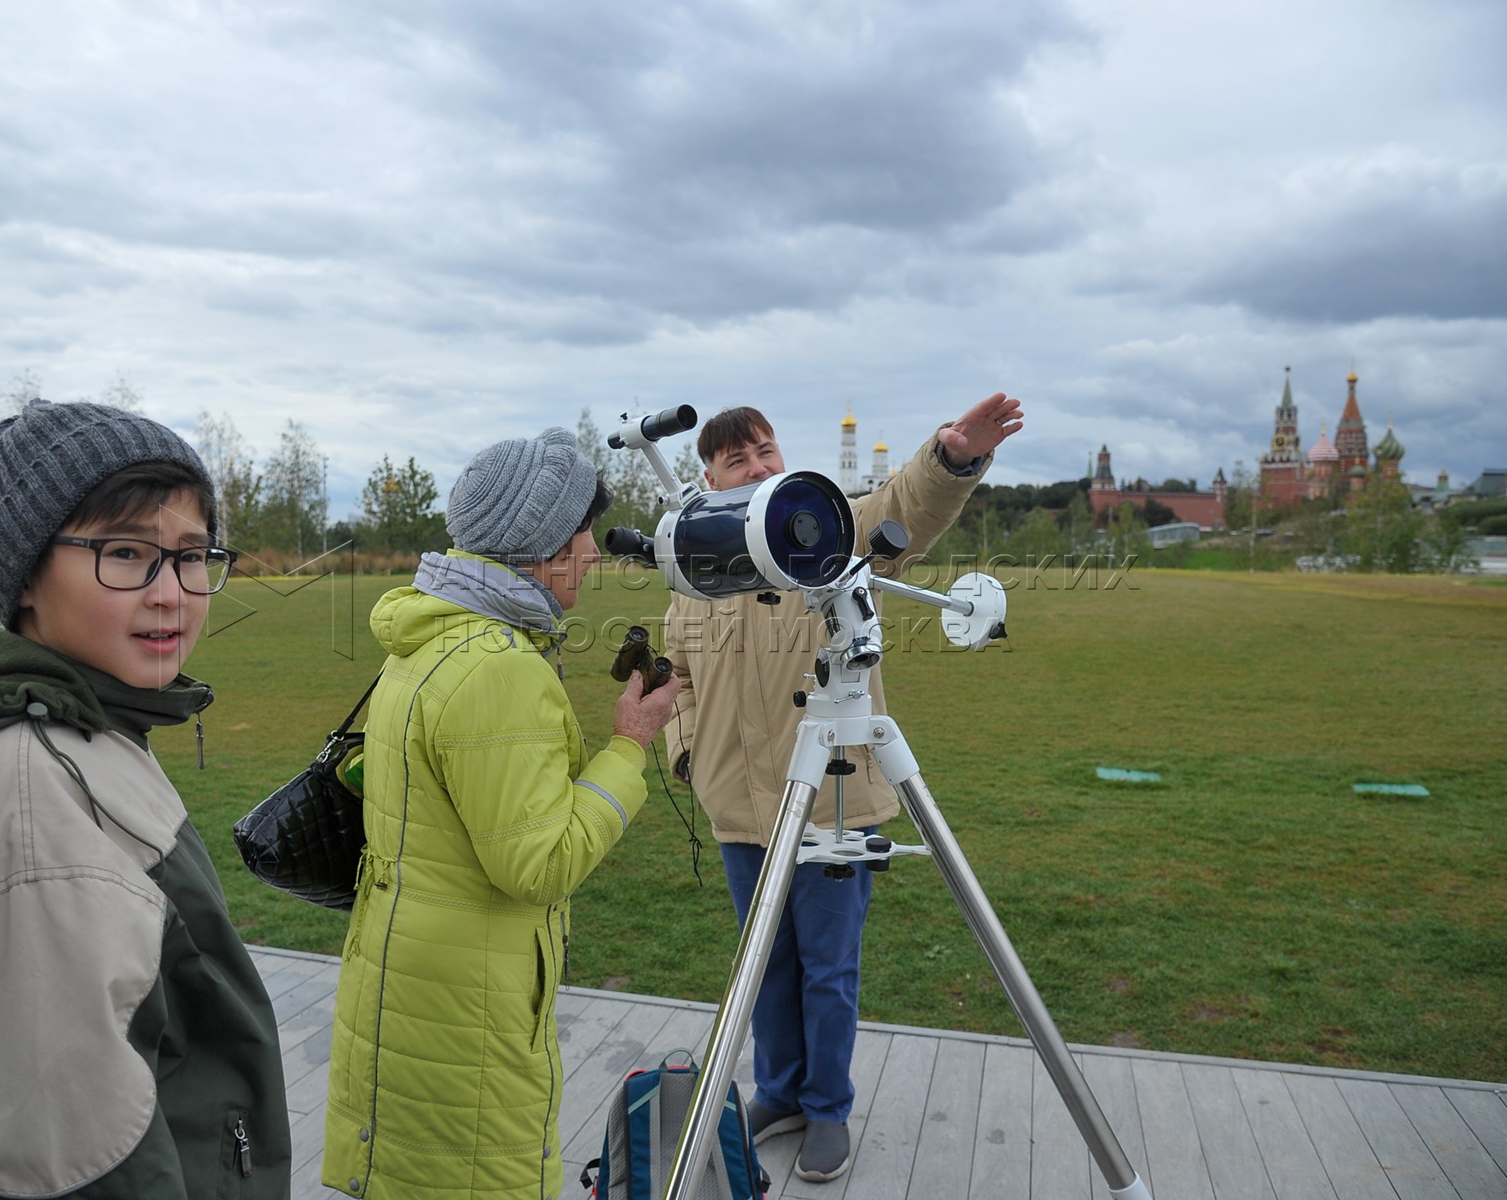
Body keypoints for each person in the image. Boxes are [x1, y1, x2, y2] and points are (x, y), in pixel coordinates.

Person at [0, 399, 292, 1199]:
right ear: (28, 574)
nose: (172, 593)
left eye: (191, 556)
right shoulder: (24, 806)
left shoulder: (86, 727)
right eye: (126, 553)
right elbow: (65, 1164)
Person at [661, 394, 1023, 1182]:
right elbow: (675, 679)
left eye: (765, 450)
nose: (756, 467)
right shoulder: (693, 575)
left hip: (832, 797)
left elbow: (902, 509)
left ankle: (826, 1108)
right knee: (765, 966)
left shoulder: (824, 529)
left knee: (827, 967)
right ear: (708, 479)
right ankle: (779, 1092)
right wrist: (687, 754)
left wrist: (951, 459)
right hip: (737, 807)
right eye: (735, 459)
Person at [322, 427, 680, 1200]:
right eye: (583, 534)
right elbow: (538, 863)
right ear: (542, 544)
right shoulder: (499, 667)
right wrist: (629, 745)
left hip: (412, 978)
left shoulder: (432, 633)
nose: (593, 555)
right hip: (465, 1008)